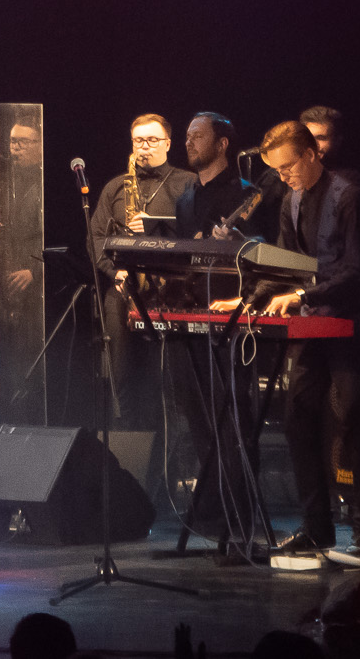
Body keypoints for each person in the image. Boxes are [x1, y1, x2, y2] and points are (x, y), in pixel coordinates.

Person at [250, 120, 360, 561]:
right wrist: (249, 298)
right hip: (312, 324)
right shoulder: (291, 199)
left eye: (288, 167)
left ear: (311, 155)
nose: (283, 176)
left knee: (353, 418)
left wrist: (302, 296)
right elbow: (287, 263)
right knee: (297, 419)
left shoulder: (350, 196)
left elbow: (355, 271)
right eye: (277, 170)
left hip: (349, 321)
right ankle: (317, 529)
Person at [166, 111, 260, 542]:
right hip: (192, 315)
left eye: (198, 136)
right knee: (198, 415)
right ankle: (213, 508)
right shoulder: (186, 197)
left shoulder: (246, 193)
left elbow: (264, 253)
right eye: (187, 136)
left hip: (231, 317)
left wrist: (236, 243)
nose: (188, 142)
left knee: (233, 416)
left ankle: (242, 513)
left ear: (222, 144)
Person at [86, 114, 193, 423]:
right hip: (124, 288)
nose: (144, 147)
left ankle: (174, 435)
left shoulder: (188, 183)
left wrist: (155, 229)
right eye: (138, 141)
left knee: (171, 373)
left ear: (168, 144)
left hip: (172, 289)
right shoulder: (115, 187)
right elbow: (95, 236)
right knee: (121, 372)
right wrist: (113, 271)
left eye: (152, 140)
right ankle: (127, 431)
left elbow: (197, 234)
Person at [2, 121, 46, 296]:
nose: (16, 147)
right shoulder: (8, 179)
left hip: (36, 280)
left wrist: (36, 270)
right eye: (13, 141)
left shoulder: (44, 180)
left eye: (23, 142)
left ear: (40, 145)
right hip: (12, 274)